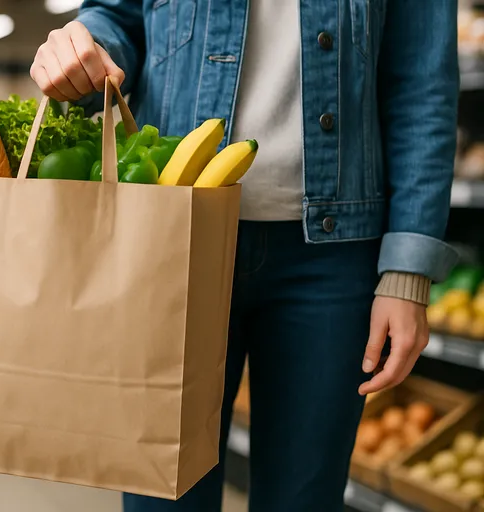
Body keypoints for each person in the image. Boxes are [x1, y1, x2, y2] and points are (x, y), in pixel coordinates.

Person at [30, 1, 459, 510]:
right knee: (163, 495)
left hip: (333, 258)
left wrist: (408, 271)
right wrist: (86, 44)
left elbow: (421, 81)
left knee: (305, 500)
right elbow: (118, 15)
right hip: (172, 237)